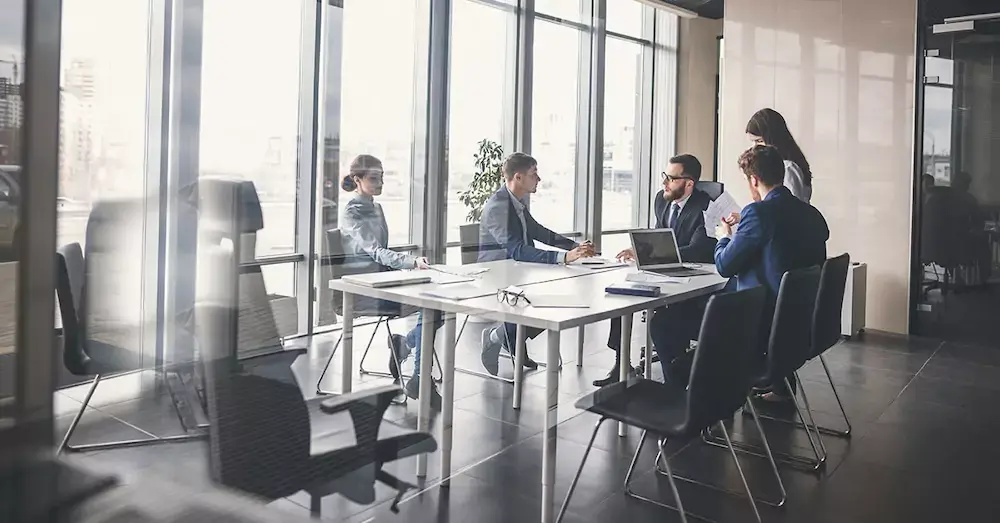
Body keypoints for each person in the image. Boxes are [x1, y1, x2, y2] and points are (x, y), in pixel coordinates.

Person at [715, 144, 829, 401]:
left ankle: (701, 400)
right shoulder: (811, 214)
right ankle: (779, 386)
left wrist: (724, 238)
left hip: (763, 323)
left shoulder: (758, 213)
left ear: (753, 180)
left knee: (670, 325)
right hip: (802, 322)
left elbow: (724, 266)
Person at [594, 154, 717, 387]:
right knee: (623, 295)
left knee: (667, 320)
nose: (664, 183)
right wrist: (640, 250)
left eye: (671, 178)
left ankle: (678, 376)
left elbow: (698, 249)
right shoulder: (662, 200)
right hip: (662, 268)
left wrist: (654, 254)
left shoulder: (705, 207)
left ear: (689, 183)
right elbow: (659, 236)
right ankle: (622, 365)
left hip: (694, 274)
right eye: (665, 176)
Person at [339, 154, 443, 409]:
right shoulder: (352, 212)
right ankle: (419, 376)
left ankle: (406, 347)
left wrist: (407, 267)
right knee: (431, 307)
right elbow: (375, 250)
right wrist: (410, 262)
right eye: (374, 178)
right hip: (363, 288)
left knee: (438, 305)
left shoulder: (377, 207)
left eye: (382, 177)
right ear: (357, 179)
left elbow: (382, 252)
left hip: (383, 279)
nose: (380, 182)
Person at [477, 152, 595, 375]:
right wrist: (563, 258)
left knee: (555, 301)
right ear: (518, 177)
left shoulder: (516, 202)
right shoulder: (498, 207)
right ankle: (500, 337)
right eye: (534, 174)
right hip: (497, 277)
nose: (539, 179)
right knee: (546, 303)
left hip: (517, 272)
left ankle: (507, 337)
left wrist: (575, 247)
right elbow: (517, 250)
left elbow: (539, 232)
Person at [746, 108, 813, 203]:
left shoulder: (789, 168)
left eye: (759, 141)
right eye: (753, 142)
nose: (754, 148)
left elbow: (792, 212)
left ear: (773, 139)